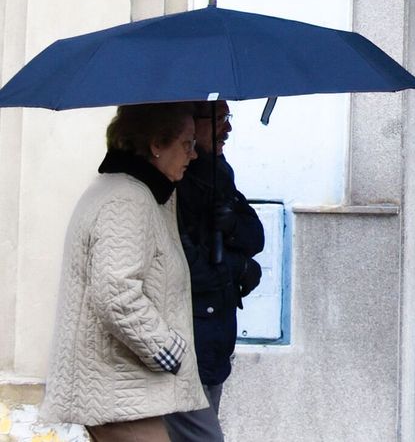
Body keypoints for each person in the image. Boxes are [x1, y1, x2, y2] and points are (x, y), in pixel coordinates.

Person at [42, 104, 208, 442]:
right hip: (116, 390)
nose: (193, 155)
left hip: (120, 388)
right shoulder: (127, 199)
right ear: (156, 145)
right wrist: (167, 349)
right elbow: (116, 293)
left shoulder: (135, 191)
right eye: (186, 144)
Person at [165, 101, 265, 442]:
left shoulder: (218, 172)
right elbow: (187, 270)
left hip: (214, 345)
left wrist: (232, 222)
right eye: (220, 119)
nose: (228, 128)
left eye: (227, 118)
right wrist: (239, 268)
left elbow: (255, 235)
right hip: (190, 346)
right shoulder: (174, 184)